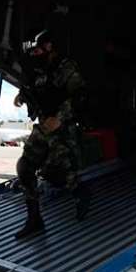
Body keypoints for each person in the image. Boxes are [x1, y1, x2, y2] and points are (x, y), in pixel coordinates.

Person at [13, 29, 90, 239]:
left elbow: (80, 95)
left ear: (49, 47)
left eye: (39, 49)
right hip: (44, 126)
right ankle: (34, 219)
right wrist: (21, 96)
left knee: (60, 174)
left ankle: (80, 192)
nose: (35, 54)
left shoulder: (66, 68)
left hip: (63, 128)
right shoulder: (40, 69)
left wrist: (60, 117)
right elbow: (38, 90)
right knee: (25, 167)